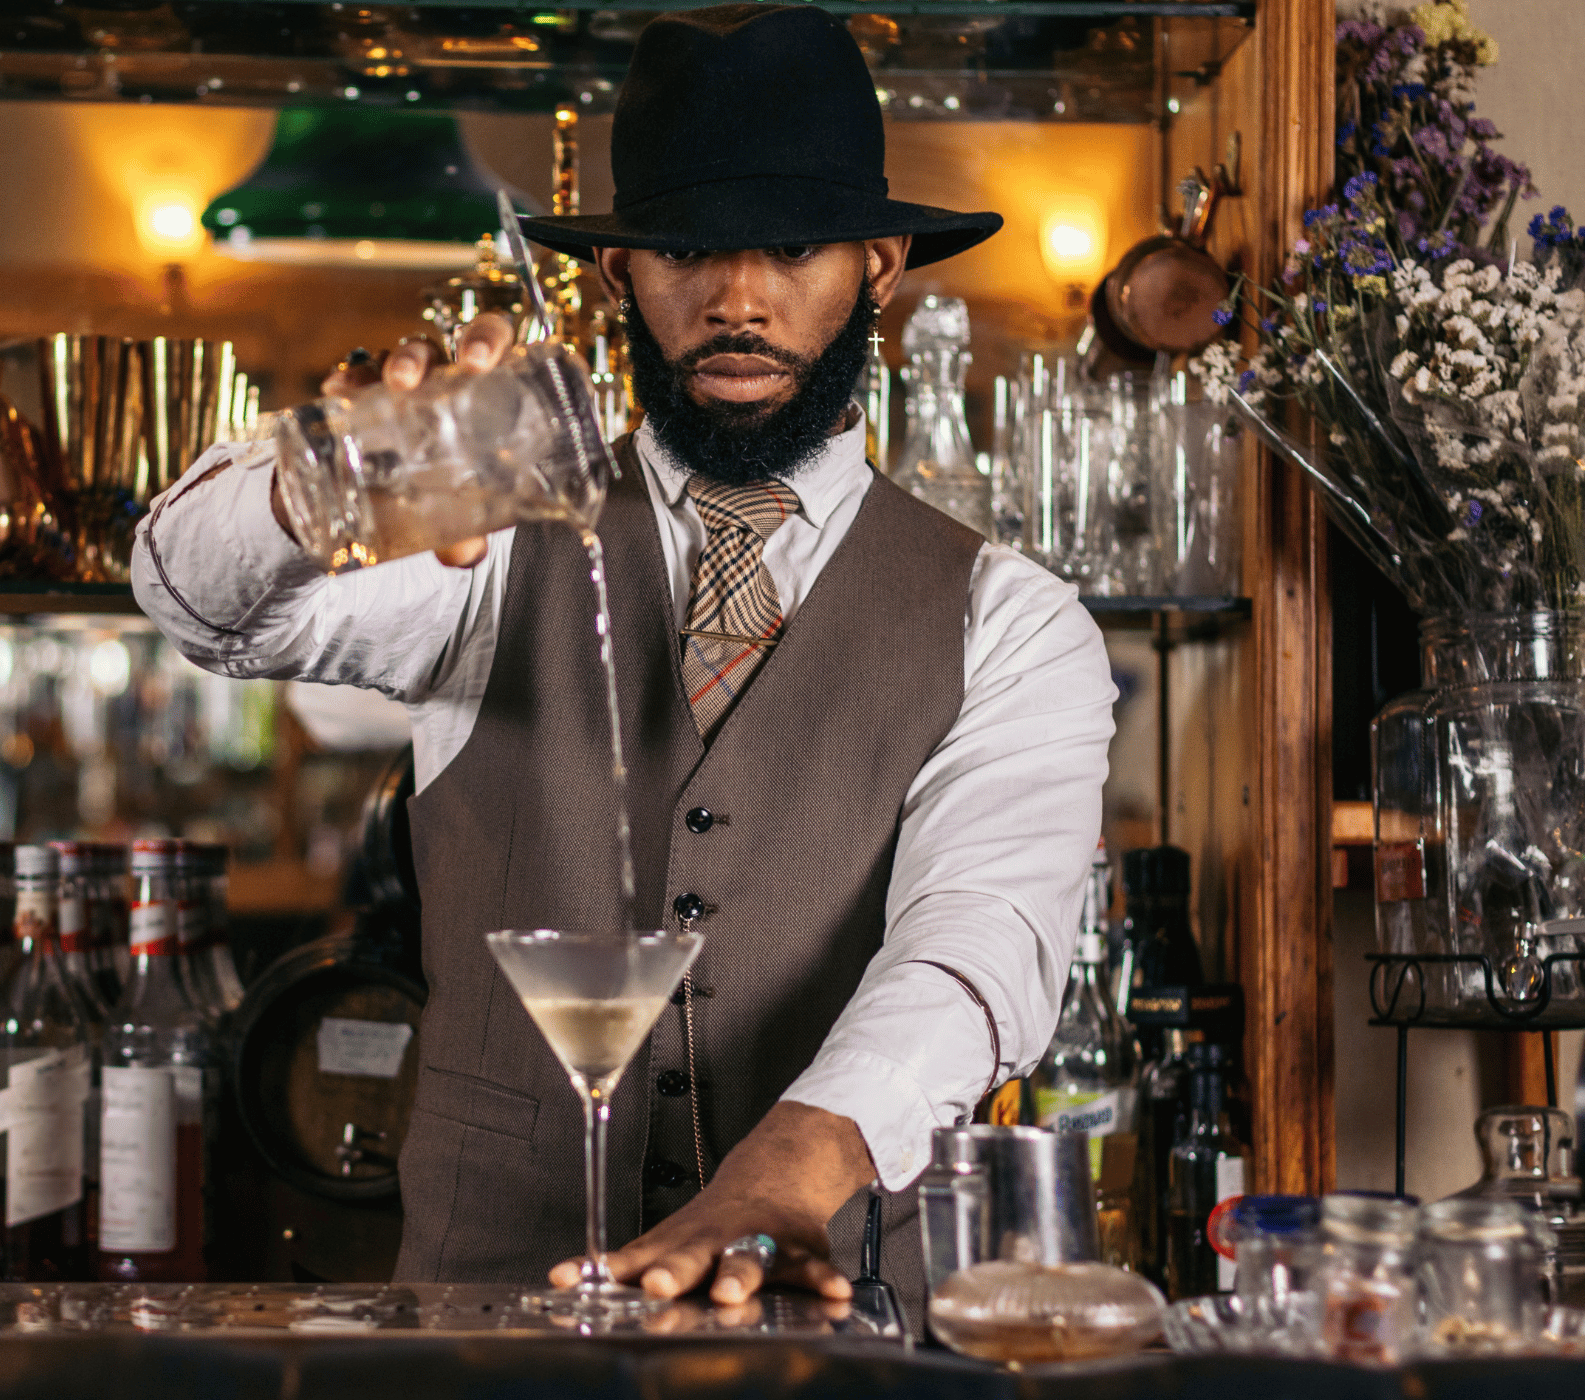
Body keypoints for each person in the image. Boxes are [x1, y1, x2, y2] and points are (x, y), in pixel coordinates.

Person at [134, 2, 1115, 1311]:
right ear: (618, 274)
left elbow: (977, 943)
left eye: (791, 247)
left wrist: (787, 1173)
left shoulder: (1012, 622)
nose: (737, 299)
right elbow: (196, 602)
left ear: (879, 265)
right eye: (686, 249)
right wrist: (331, 475)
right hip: (488, 1327)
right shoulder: (486, 540)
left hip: (829, 1328)